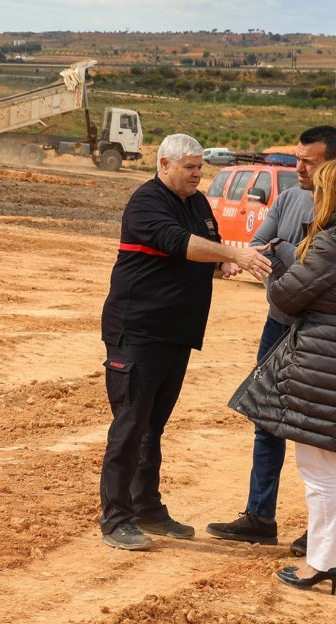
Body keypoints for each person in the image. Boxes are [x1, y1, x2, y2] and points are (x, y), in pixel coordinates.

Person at [229, 159, 336, 594]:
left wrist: (281, 262)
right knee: (324, 469)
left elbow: (286, 300)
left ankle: (322, 562)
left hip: (325, 362)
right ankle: (323, 558)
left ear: (332, 195)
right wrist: (293, 250)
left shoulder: (331, 245)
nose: (314, 197)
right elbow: (330, 279)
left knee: (318, 473)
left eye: (319, 190)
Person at [99, 134, 272, 551]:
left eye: (200, 167)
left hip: (175, 333)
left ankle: (146, 507)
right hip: (138, 330)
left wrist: (222, 262)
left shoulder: (196, 203)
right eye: (190, 167)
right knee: (129, 425)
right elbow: (179, 243)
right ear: (163, 165)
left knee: (152, 427)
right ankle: (115, 517)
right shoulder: (146, 202)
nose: (198, 174)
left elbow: (192, 254)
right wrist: (237, 253)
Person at [206, 125, 336, 555]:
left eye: (310, 161)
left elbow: (325, 272)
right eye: (298, 158)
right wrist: (286, 257)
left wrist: (285, 255)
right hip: (279, 322)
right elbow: (257, 249)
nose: (299, 168)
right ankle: (259, 516)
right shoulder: (287, 198)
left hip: (325, 333)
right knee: (266, 418)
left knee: (325, 433)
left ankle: (318, 534)